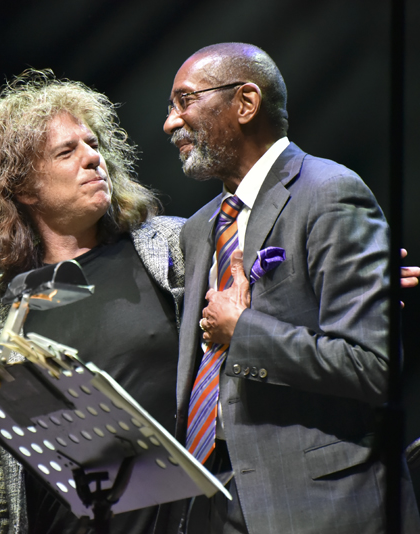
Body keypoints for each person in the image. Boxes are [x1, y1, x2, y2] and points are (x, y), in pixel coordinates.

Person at [164, 42, 420, 533]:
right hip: (219, 504)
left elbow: (374, 367)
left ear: (245, 102)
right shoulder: (199, 230)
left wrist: (243, 331)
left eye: (184, 101)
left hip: (323, 503)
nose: (171, 122)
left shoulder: (328, 192)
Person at [0, 69, 185, 534]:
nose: (93, 158)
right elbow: (1, 490)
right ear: (24, 189)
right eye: (67, 151)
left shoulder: (170, 248)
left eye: (94, 144)